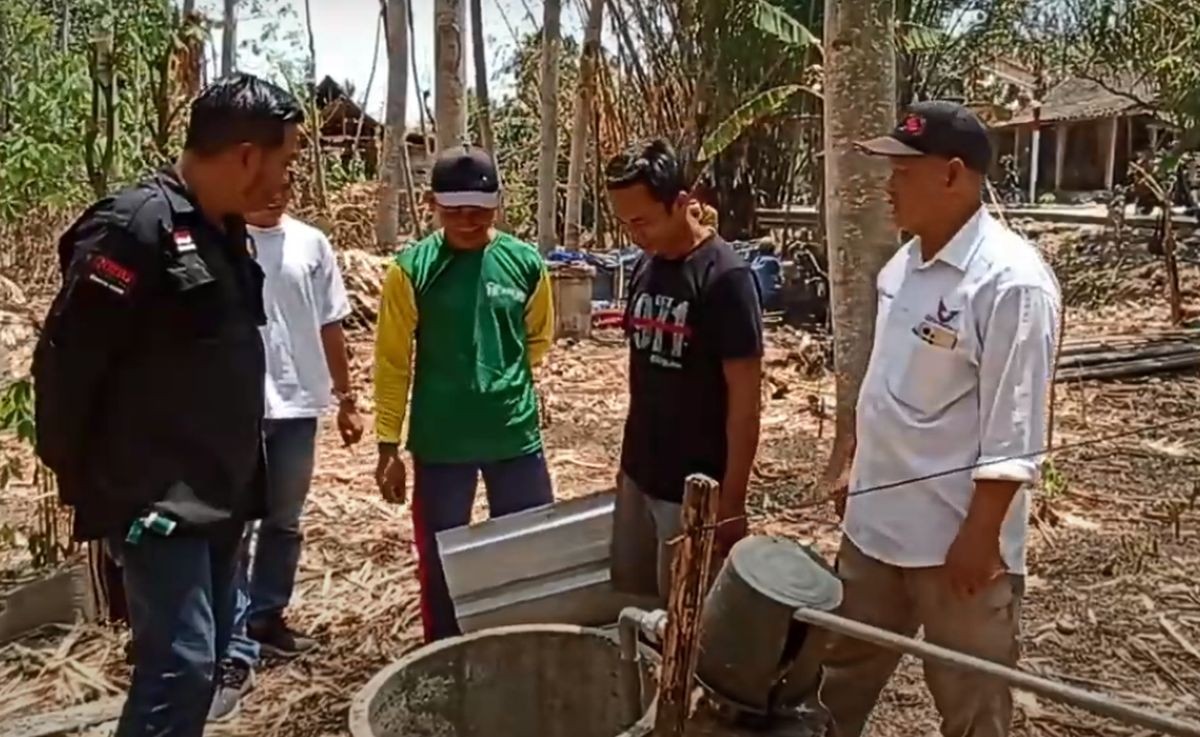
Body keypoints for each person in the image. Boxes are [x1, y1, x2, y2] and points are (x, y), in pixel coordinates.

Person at [32, 73, 302, 737]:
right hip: (157, 499)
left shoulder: (224, 231)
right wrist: (97, 487)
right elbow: (66, 365)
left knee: (204, 660)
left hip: (220, 491)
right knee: (178, 665)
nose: (287, 180)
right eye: (285, 160)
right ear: (245, 155)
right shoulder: (135, 228)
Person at [820, 101, 1061, 737]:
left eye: (903, 171)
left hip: (956, 546)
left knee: (971, 702)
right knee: (832, 683)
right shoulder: (903, 267)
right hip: (875, 532)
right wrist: (852, 466)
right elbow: (883, 383)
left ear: (952, 175)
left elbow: (1017, 430)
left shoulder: (1011, 284)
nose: (888, 186)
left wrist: (979, 539)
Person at [374, 144, 556, 642]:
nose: (467, 221)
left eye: (479, 210)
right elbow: (392, 363)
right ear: (433, 204)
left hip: (513, 436)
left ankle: (520, 643)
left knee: (526, 550)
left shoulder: (525, 264)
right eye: (454, 211)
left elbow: (537, 339)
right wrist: (387, 446)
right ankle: (444, 653)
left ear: (497, 205)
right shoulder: (411, 270)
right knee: (439, 559)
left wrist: (496, 379)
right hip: (441, 442)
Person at [207, 180, 364, 721]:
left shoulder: (311, 244)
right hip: (237, 408)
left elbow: (330, 324)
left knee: (284, 520)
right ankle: (230, 644)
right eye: (263, 186)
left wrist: (347, 398)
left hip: (297, 404)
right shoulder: (220, 242)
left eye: (286, 185)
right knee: (232, 526)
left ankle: (266, 619)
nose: (275, 195)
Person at [604, 138, 763, 603]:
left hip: (695, 492)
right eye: (625, 222)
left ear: (681, 204)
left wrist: (731, 501)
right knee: (634, 602)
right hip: (638, 473)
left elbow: (745, 401)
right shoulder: (645, 267)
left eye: (643, 221)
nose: (635, 234)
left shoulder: (725, 278)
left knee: (685, 619)